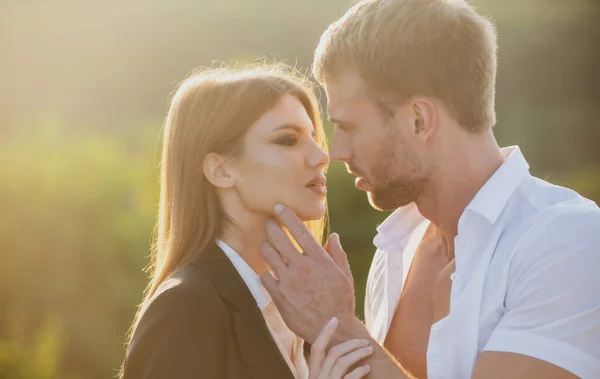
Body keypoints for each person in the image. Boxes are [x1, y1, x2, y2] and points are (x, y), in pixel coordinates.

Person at [259, 1, 600, 378]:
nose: (336, 152)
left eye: (350, 127)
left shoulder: (573, 241)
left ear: (419, 120)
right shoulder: (396, 249)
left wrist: (338, 327)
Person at [119, 65, 373, 379]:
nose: (321, 155)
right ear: (221, 171)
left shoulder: (295, 312)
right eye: (288, 140)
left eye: (314, 137)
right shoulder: (185, 308)